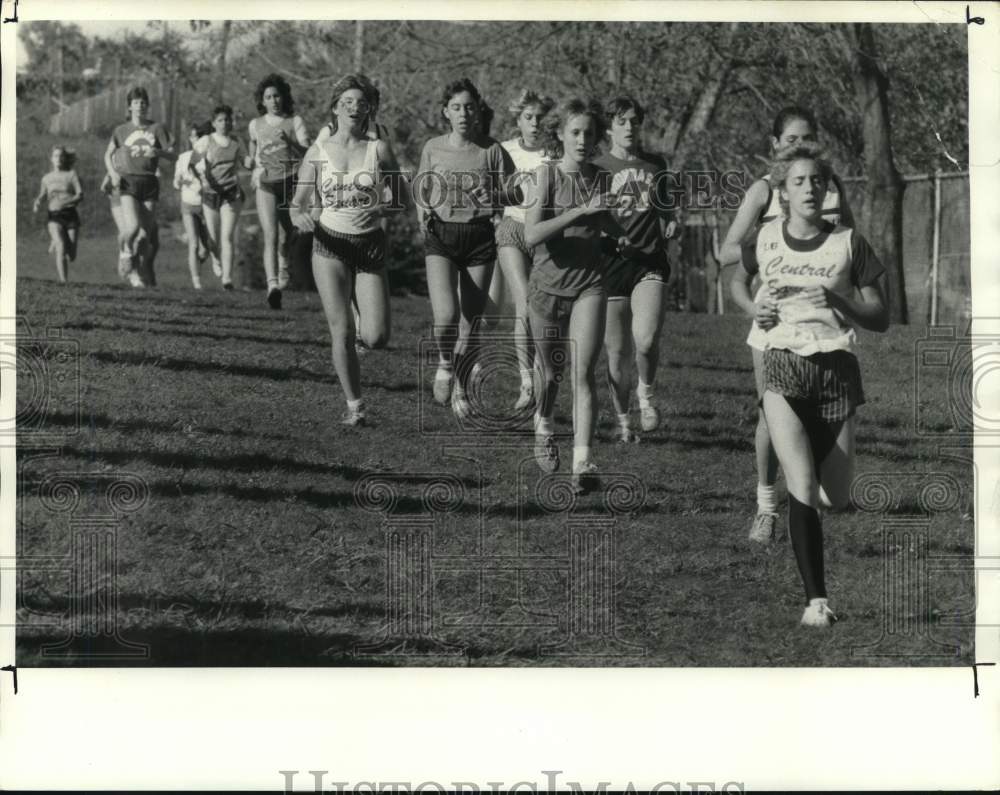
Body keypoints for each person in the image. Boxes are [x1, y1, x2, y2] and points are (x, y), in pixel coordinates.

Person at [739, 142, 888, 627]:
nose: (809, 188)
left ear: (827, 189)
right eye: (798, 181)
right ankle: (816, 603)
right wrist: (751, 308)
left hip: (836, 369)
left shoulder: (848, 242)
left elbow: (881, 317)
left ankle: (817, 504)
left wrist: (836, 300)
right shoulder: (763, 239)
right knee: (800, 485)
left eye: (816, 181)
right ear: (782, 192)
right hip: (782, 361)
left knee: (837, 497)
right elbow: (735, 279)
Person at [722, 106, 855, 543]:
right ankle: (766, 506)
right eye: (792, 140)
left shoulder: (830, 187)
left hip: (821, 323)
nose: (800, 146)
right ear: (775, 145)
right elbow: (726, 254)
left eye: (808, 138)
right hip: (772, 322)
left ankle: (808, 486)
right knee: (769, 414)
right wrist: (771, 239)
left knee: (817, 413)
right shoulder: (764, 191)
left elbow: (852, 244)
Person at [289, 74, 407, 427]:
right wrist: (301, 219)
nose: (355, 108)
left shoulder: (378, 150)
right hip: (330, 244)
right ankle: (355, 406)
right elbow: (297, 204)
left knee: (377, 337)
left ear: (369, 109)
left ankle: (361, 329)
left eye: (362, 102)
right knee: (339, 330)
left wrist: (383, 208)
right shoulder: (319, 152)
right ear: (335, 108)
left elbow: (402, 198)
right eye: (348, 102)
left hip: (369, 244)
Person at [524, 97, 613, 495]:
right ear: (559, 134)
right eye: (575, 132)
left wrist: (625, 221)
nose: (582, 139)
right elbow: (531, 236)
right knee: (549, 374)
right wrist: (578, 212)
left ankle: (582, 462)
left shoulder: (602, 177)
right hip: (545, 287)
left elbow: (612, 225)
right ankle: (543, 423)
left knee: (583, 372)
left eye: (589, 133)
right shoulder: (545, 177)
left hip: (589, 284)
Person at [415, 78, 515, 418]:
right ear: (446, 112)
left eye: (469, 107)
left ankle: (461, 388)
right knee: (445, 318)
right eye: (456, 107)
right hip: (441, 236)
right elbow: (421, 188)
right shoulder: (432, 147)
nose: (463, 113)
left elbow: (517, 192)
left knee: (470, 324)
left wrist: (498, 198)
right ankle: (445, 362)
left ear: (478, 111)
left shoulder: (492, 150)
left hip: (479, 237)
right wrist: (423, 213)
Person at [593, 96, 675, 443]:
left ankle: (647, 394)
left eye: (634, 121)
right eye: (622, 121)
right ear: (610, 126)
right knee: (617, 352)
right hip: (609, 265)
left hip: (648, 262)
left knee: (646, 339)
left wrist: (672, 224)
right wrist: (604, 236)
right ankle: (624, 420)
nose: (629, 127)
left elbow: (668, 212)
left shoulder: (656, 165)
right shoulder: (596, 167)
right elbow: (588, 217)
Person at [486, 89, 554, 412]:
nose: (535, 123)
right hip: (512, 228)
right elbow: (490, 189)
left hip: (544, 234)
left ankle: (544, 374)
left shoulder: (555, 153)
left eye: (540, 117)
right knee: (524, 304)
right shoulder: (505, 150)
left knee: (542, 310)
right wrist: (496, 214)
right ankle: (527, 381)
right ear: (518, 120)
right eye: (529, 117)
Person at [248, 74, 310, 308]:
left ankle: (283, 266)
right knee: (270, 235)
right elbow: (255, 153)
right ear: (262, 101)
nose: (273, 100)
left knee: (289, 234)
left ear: (283, 98)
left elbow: (308, 153)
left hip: (291, 181)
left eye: (276, 96)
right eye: (268, 97)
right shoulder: (255, 125)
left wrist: (290, 141)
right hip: (266, 183)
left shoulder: (295, 121)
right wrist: (252, 166)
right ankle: (272, 286)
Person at [103, 86, 175, 288]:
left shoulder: (157, 128)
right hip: (128, 181)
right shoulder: (121, 130)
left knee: (145, 236)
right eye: (135, 102)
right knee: (132, 227)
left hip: (150, 182)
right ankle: (125, 253)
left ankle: (135, 272)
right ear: (129, 107)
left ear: (147, 106)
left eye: (143, 102)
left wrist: (159, 153)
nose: (140, 106)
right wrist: (113, 173)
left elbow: (173, 156)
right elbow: (108, 154)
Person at [190, 105, 252, 291]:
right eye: (220, 120)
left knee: (227, 236)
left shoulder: (236, 141)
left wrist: (253, 163)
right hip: (210, 193)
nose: (224, 123)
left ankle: (227, 278)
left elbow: (245, 160)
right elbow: (192, 162)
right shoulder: (206, 141)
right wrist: (201, 176)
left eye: (227, 120)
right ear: (213, 123)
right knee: (214, 239)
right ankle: (215, 257)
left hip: (231, 193)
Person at [32, 145, 82, 284]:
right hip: (54, 216)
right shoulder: (46, 178)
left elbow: (80, 194)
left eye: (61, 156)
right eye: (55, 156)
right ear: (51, 159)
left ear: (65, 158)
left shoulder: (71, 175)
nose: (58, 158)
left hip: (70, 215)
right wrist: (37, 202)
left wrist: (67, 203)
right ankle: (63, 281)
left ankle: (56, 240)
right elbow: (42, 194)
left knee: (71, 255)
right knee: (61, 246)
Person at [173, 123, 212, 289]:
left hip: (206, 205)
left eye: (199, 137)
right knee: (194, 244)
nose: (195, 140)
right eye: (193, 137)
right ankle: (196, 282)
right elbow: (175, 182)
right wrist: (180, 181)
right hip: (188, 203)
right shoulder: (183, 157)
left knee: (207, 247)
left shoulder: (208, 157)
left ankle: (199, 260)